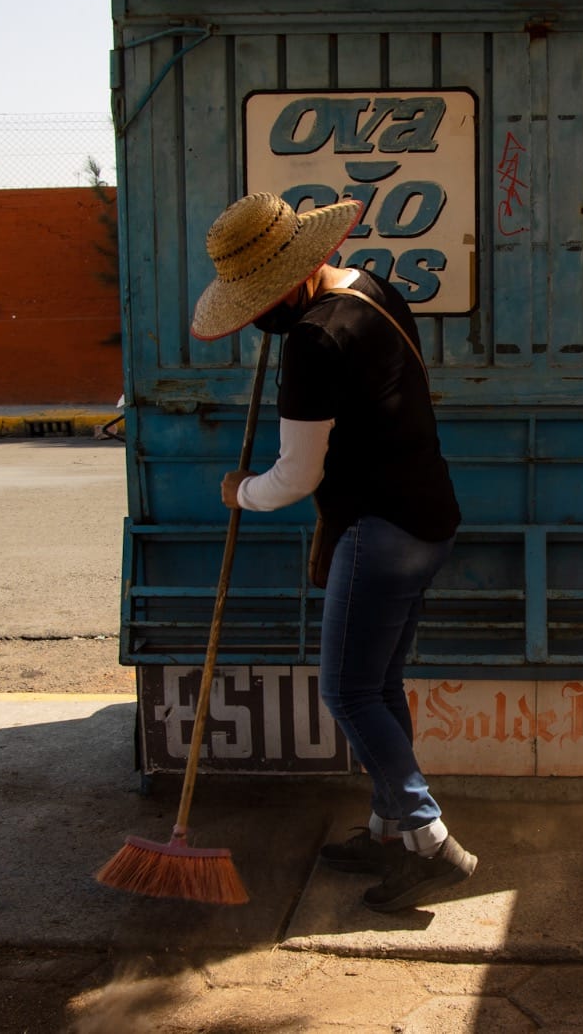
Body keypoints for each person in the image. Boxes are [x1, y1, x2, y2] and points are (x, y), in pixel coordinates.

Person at [190, 191, 473, 913]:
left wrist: (240, 492)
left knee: (346, 692)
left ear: (293, 275)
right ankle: (386, 830)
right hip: (429, 516)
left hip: (379, 529)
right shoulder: (372, 289)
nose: (254, 315)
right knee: (377, 686)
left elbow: (296, 478)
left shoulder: (313, 342)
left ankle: (429, 840)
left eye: (258, 300)